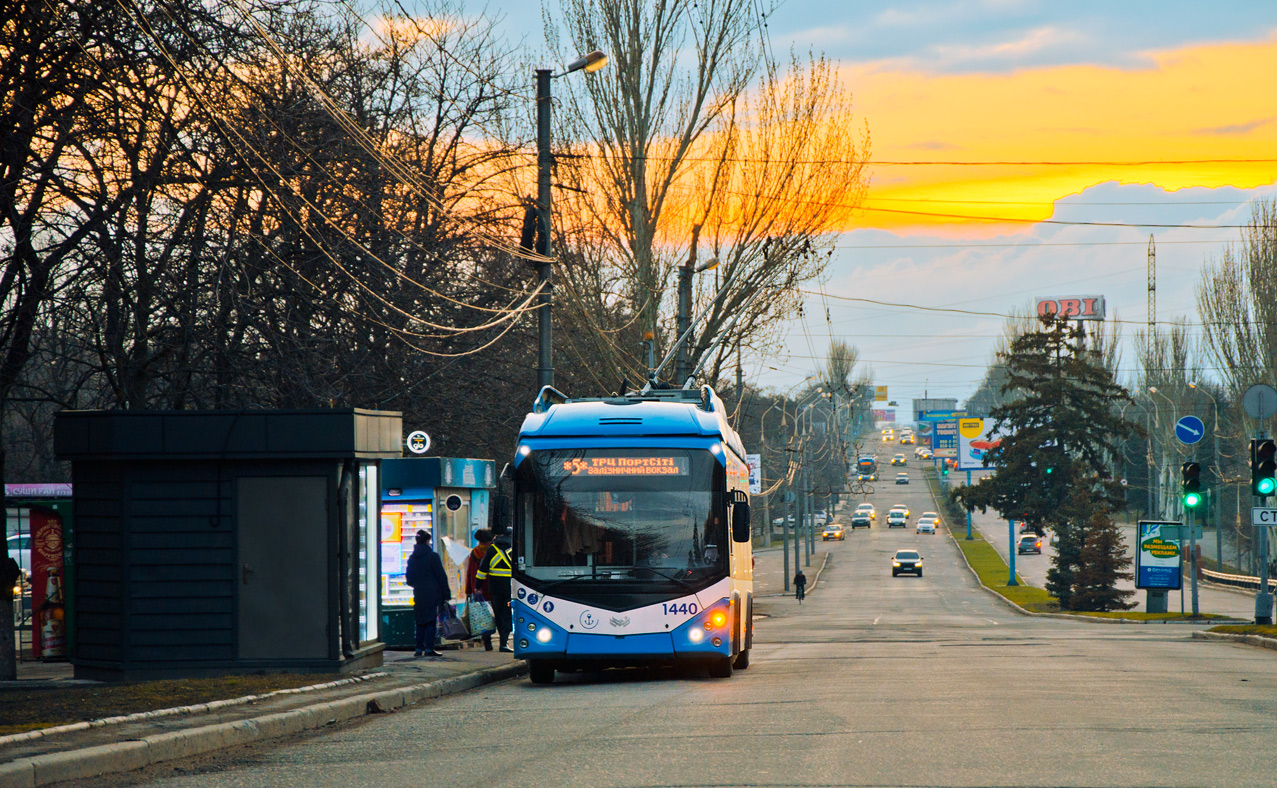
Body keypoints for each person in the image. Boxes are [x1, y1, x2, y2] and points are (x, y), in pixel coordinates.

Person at [405, 530, 451, 657]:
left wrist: (418, 585)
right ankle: (429, 648)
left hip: (419, 593)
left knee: (420, 621)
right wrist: (446, 594)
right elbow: (441, 576)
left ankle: (419, 648)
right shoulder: (432, 556)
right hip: (433, 593)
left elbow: (409, 579)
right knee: (431, 620)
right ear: (427, 541)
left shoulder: (412, 558)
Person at [475, 526, 514, 653]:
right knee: (507, 614)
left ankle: (496, 640)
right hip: (510, 588)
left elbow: (482, 570)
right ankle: (504, 643)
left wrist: (477, 586)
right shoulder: (515, 549)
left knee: (498, 613)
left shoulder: (492, 549)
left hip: (495, 588)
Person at [465, 528, 495, 650]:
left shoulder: (474, 553)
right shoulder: (493, 551)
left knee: (483, 615)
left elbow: (470, 572)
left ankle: (487, 640)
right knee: (496, 613)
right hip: (492, 587)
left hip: (478, 588)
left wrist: (469, 590)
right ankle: (501, 640)